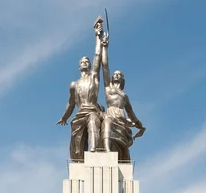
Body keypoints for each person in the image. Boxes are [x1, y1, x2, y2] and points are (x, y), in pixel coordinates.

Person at [57, 18, 105, 161]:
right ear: (79, 66)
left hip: (92, 111)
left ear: (89, 65)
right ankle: (79, 160)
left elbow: (97, 56)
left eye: (87, 61)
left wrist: (98, 36)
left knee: (93, 122)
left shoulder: (94, 78)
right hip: (79, 114)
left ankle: (94, 151)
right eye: (82, 62)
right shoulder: (74, 85)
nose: (85, 62)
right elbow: (71, 104)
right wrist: (64, 117)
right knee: (77, 148)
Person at [99, 33, 145, 162]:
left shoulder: (124, 97)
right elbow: (105, 66)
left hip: (121, 118)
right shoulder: (108, 88)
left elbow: (132, 115)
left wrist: (141, 126)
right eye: (115, 74)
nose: (116, 75)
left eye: (119, 74)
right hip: (110, 113)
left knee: (122, 147)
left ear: (122, 79)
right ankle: (107, 150)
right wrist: (105, 47)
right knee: (106, 124)